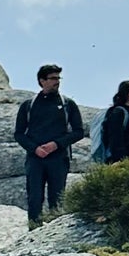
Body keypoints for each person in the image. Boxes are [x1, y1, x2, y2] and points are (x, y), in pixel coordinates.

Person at [15, 64, 87, 226]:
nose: (57, 82)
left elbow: (78, 132)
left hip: (59, 158)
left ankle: (55, 234)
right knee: (34, 197)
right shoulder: (28, 105)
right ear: (42, 81)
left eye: (58, 78)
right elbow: (19, 133)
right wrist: (35, 148)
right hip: (35, 159)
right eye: (53, 78)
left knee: (57, 197)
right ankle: (33, 232)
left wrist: (56, 144)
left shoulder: (68, 104)